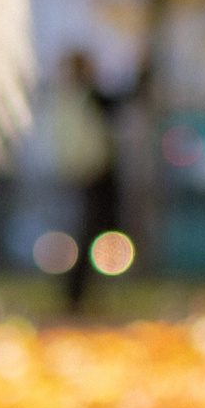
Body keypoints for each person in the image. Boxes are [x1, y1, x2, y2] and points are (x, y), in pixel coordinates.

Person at [47, 50, 117, 314]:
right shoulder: (86, 98)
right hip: (91, 176)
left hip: (76, 176)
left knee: (82, 235)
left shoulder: (64, 99)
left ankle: (77, 295)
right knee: (88, 235)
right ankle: (76, 295)